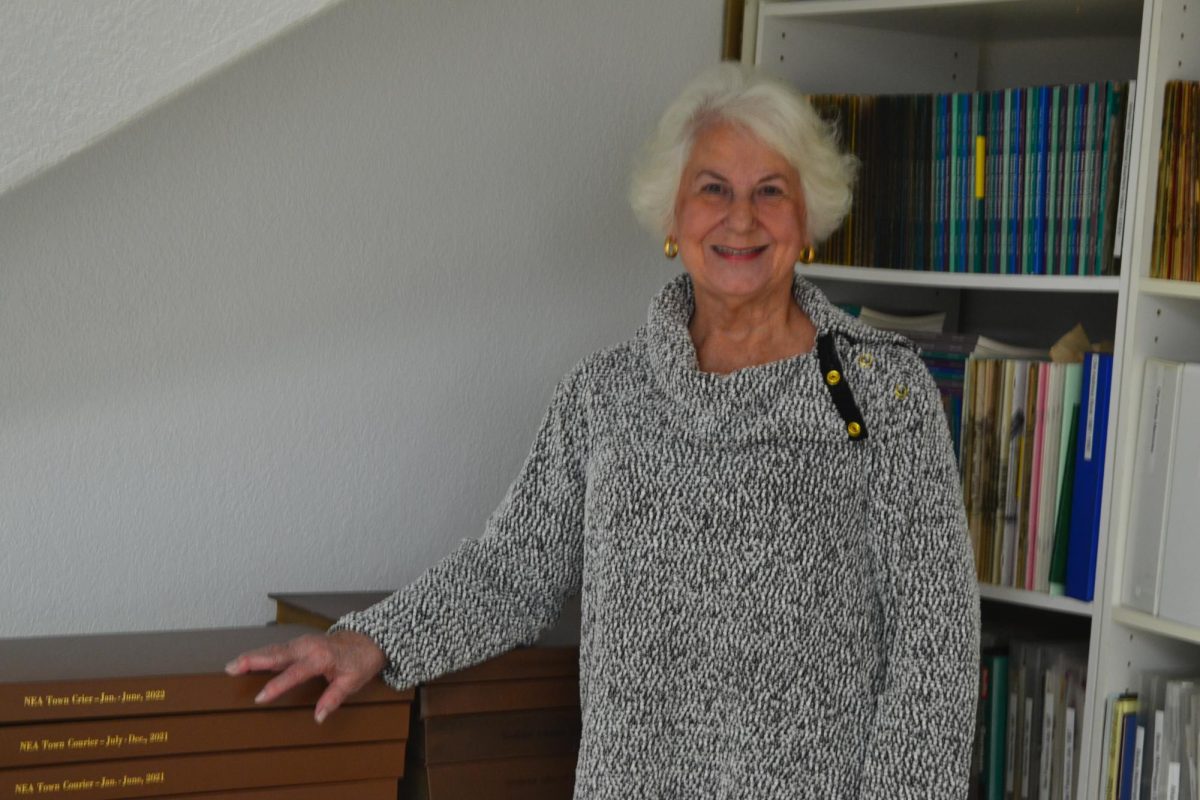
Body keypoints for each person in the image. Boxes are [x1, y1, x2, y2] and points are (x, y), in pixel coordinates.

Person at [227, 62, 980, 798]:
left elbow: (935, 650)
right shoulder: (604, 396)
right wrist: (369, 639)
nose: (741, 218)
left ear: (807, 217)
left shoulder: (883, 390)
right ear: (673, 216)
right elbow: (511, 572)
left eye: (770, 192)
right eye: (713, 189)